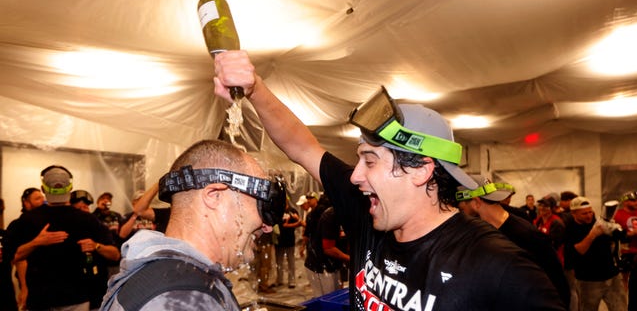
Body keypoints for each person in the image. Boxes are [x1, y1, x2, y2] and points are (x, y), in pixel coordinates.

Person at [212, 50, 565, 309]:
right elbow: (303, 147)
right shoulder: (368, 216)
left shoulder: (493, 263)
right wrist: (255, 88)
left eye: (369, 160)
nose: (355, 176)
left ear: (421, 170)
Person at [101, 139, 286, 310]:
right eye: (261, 205)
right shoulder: (183, 298)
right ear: (215, 195)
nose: (267, 227)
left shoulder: (156, 273)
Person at [5, 165, 118, 311]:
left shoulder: (87, 220)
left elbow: (114, 254)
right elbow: (13, 256)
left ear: (43, 189)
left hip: (71, 298)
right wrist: (37, 242)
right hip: (48, 299)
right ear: (70, 189)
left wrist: (96, 245)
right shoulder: (29, 220)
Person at [456, 175, 570, 308]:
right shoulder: (487, 232)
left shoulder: (527, 236)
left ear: (476, 202)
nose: (459, 212)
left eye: (461, 207)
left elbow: (557, 282)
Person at [564, 196, 627, 311]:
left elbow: (620, 238)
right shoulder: (570, 228)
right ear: (574, 214)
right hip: (588, 281)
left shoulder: (598, 222)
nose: (589, 215)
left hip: (612, 277)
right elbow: (579, 251)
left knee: (621, 308)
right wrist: (592, 234)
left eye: (590, 212)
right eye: (584, 214)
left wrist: (615, 230)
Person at [70, 190, 121, 311]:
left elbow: (115, 255)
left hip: (97, 290)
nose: (84, 210)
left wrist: (96, 246)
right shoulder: (63, 228)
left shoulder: (99, 227)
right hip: (71, 293)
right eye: (79, 207)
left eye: (86, 206)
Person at [4, 187, 46, 309]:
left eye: (43, 198)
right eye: (38, 198)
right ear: (26, 203)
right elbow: (19, 258)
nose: (42, 201)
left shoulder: (47, 222)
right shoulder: (18, 225)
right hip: (29, 280)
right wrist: (24, 287)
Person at [613, 191, 637, 310]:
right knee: (624, 279)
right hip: (626, 252)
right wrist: (631, 234)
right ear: (625, 201)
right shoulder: (618, 215)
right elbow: (614, 235)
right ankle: (624, 304)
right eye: (633, 200)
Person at [274, 196, 302, 289]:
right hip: (279, 241)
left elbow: (299, 223)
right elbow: (277, 225)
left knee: (291, 261)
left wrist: (290, 223)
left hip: (290, 240)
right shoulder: (277, 211)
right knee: (279, 262)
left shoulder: (292, 211)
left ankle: (292, 281)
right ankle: (280, 280)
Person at [533, 196, 566, 266]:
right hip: (542, 260)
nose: (542, 208)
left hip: (553, 261)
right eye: (540, 205)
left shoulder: (556, 223)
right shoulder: (538, 221)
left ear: (552, 208)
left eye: (546, 206)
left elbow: (553, 246)